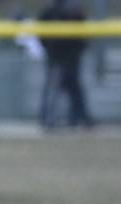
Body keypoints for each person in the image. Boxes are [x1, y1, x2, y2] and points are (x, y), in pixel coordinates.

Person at [38, 0, 95, 130]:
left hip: (72, 56)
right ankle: (49, 120)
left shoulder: (75, 8)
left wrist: (81, 48)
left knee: (74, 88)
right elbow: (41, 32)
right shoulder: (50, 10)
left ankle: (78, 119)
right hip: (57, 57)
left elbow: (83, 32)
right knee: (54, 88)